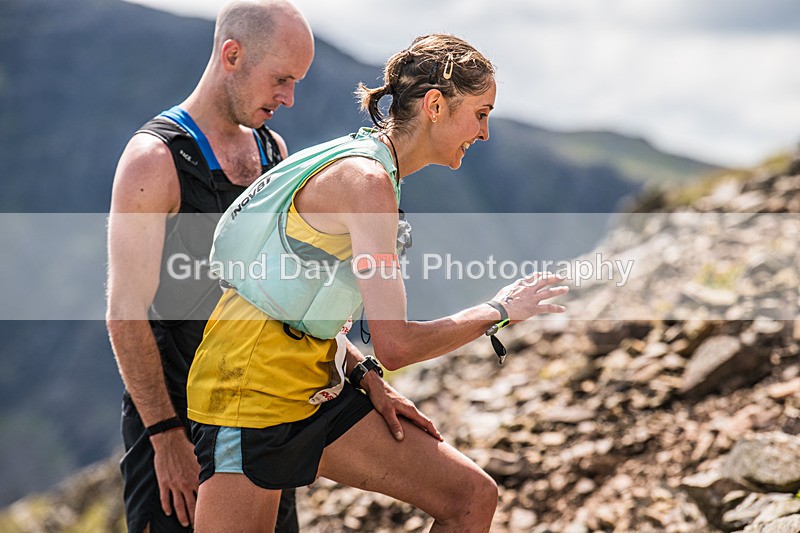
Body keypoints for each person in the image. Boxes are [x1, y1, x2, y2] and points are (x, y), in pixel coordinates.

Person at [185, 33, 569, 533]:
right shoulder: (365, 182)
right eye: (481, 112)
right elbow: (398, 344)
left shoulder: (371, 168)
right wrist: (498, 310)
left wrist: (364, 373)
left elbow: (306, 298)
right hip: (246, 390)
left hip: (317, 380)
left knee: (470, 497)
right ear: (435, 105)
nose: (486, 132)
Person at [107, 1, 433, 531]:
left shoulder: (272, 150)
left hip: (263, 414)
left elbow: (297, 298)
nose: (289, 97)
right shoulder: (154, 160)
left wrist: (363, 370)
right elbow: (124, 311)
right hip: (179, 428)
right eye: (281, 79)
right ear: (231, 55)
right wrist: (166, 437)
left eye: (297, 81)